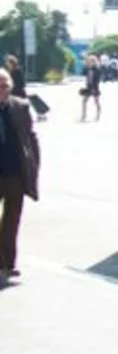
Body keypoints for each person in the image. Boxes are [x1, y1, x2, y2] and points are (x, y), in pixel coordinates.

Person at [0, 67, 39, 281]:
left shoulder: (20, 107)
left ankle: (8, 263)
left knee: (12, 220)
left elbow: (31, 139)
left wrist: (34, 166)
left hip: (14, 173)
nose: (2, 90)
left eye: (5, 85)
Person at [81, 55, 102, 122]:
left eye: (90, 61)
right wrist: (85, 66)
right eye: (88, 61)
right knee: (84, 101)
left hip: (95, 88)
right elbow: (82, 73)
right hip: (88, 87)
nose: (89, 63)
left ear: (94, 62)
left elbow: (97, 80)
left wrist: (94, 89)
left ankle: (98, 115)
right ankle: (84, 115)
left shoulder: (97, 70)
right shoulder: (87, 69)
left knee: (96, 102)